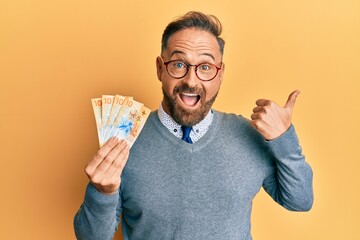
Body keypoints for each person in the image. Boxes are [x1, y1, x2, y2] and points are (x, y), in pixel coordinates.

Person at [74, 11, 313, 240]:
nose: (191, 80)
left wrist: (284, 139)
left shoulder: (249, 135)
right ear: (160, 68)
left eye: (205, 67)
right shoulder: (123, 138)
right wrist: (102, 193)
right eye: (179, 64)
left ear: (220, 74)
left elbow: (300, 201)